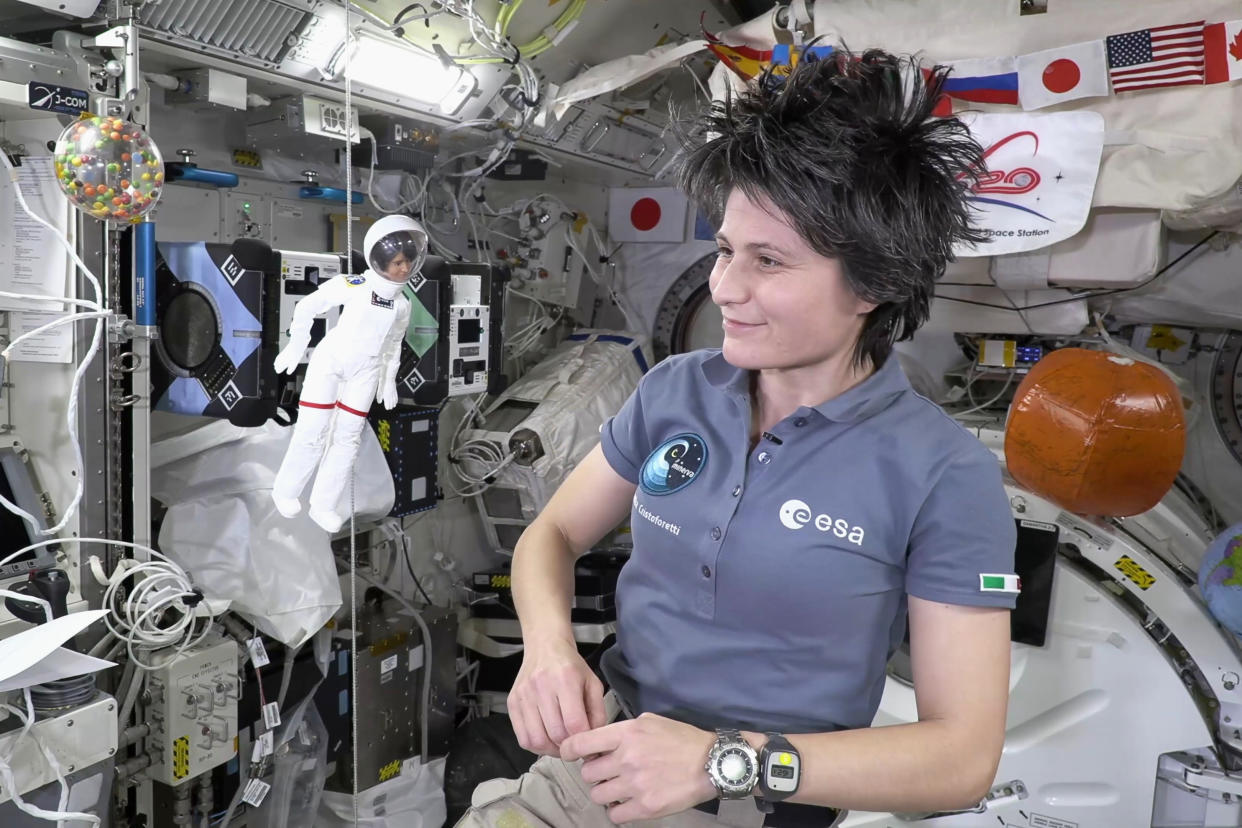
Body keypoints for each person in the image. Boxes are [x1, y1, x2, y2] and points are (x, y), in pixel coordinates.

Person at [457, 48, 1019, 828]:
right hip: (602, 765)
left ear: (875, 284)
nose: (725, 288)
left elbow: (960, 761)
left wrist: (721, 760)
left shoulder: (943, 474)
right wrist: (550, 651)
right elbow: (550, 534)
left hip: (761, 800)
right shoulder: (674, 390)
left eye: (769, 261)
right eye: (725, 250)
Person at [270, 214, 426, 532]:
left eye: (407, 262)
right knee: (312, 433)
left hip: (365, 372)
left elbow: (393, 343)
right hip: (331, 363)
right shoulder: (354, 285)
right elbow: (309, 306)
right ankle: (285, 492)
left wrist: (388, 380)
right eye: (397, 263)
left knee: (348, 440)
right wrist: (295, 345)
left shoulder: (402, 305)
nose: (404, 269)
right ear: (379, 260)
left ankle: (324, 504)